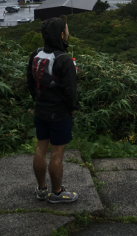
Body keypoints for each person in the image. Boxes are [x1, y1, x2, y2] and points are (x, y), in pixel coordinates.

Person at [26, 17, 79, 203]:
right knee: (57, 153)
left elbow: (30, 82)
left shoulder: (36, 54)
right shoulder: (64, 60)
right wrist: (72, 108)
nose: (68, 32)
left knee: (41, 148)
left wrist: (38, 100)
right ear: (61, 34)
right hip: (59, 113)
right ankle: (57, 193)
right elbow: (71, 91)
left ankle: (42, 190)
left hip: (41, 110)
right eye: (67, 29)